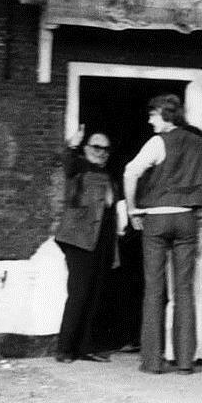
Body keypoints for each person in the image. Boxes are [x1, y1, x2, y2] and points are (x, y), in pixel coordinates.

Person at [123, 94, 202, 374]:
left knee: (154, 288)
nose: (150, 121)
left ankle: (152, 361)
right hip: (187, 220)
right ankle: (186, 362)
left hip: (157, 220)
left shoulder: (157, 142)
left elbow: (130, 172)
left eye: (153, 115)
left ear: (166, 115)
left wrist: (133, 209)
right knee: (184, 290)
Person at [54, 125, 119, 363]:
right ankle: (64, 349)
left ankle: (84, 347)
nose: (101, 152)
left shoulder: (109, 176)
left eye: (106, 149)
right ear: (86, 148)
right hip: (79, 240)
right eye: (96, 147)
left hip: (101, 241)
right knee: (79, 293)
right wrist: (72, 145)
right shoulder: (79, 168)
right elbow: (67, 163)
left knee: (94, 294)